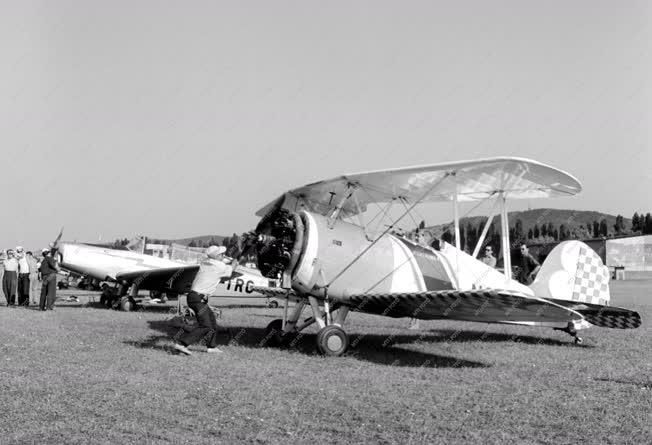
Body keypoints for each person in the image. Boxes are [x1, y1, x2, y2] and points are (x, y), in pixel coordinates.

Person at [173, 245, 232, 355]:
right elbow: (230, 271)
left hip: (197, 298)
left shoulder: (207, 262)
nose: (223, 255)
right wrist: (236, 262)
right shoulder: (218, 266)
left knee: (212, 324)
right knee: (205, 325)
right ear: (216, 256)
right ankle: (181, 344)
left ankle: (211, 347)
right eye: (221, 254)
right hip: (197, 298)